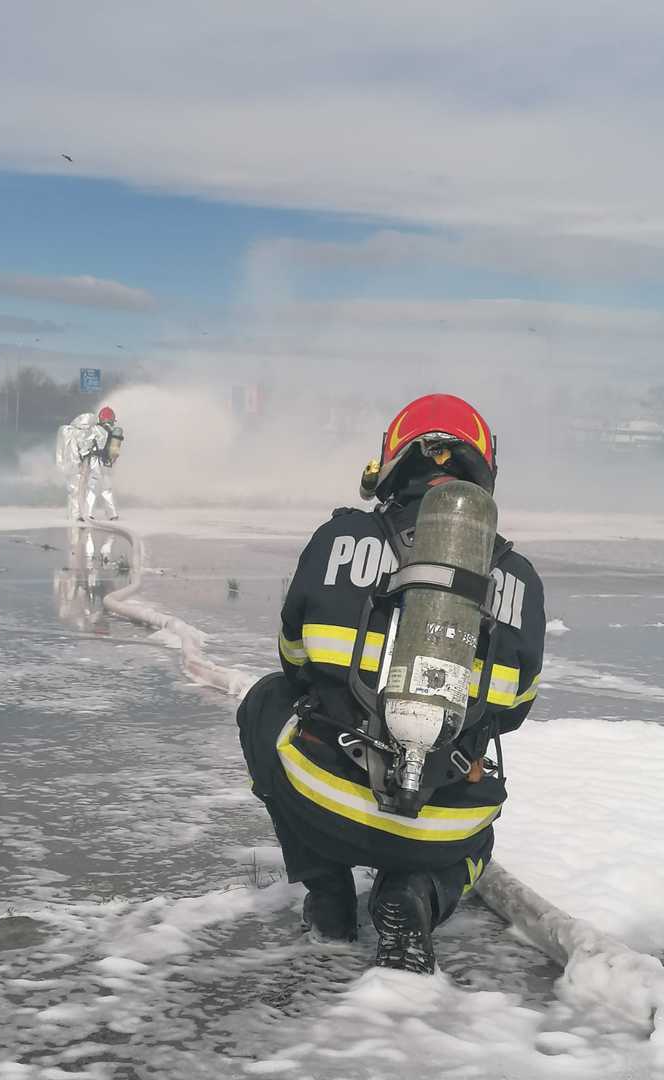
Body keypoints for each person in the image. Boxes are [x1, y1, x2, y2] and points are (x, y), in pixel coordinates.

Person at [237, 393, 545, 973]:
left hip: (324, 797)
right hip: (446, 824)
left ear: (392, 462)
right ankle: (418, 895)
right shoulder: (520, 579)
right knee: (481, 842)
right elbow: (513, 711)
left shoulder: (339, 540)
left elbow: (291, 658)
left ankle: (327, 897)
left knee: (264, 702)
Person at [56, 406, 124, 521]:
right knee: (106, 489)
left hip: (95, 462)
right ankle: (112, 514)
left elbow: (85, 446)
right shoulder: (111, 432)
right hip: (106, 464)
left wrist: (81, 457)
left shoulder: (94, 430)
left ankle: (88, 513)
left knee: (92, 488)